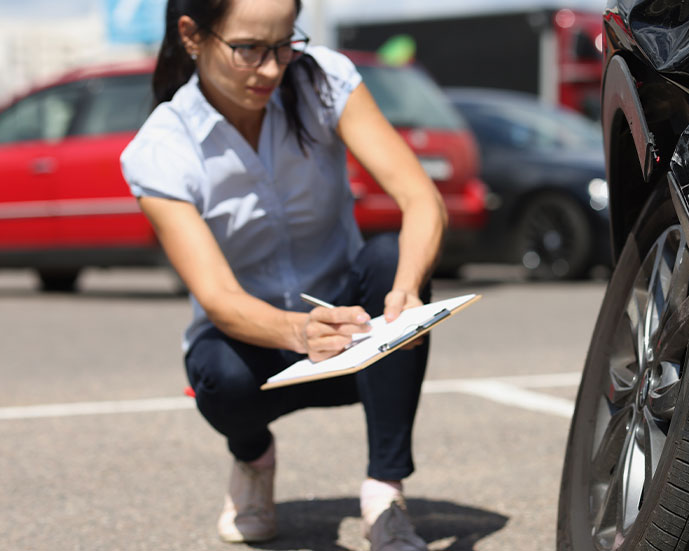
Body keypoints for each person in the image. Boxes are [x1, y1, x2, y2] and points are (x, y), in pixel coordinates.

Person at [119, 0, 446, 548]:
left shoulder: (322, 81)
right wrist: (299, 331)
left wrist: (408, 288)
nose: (271, 69)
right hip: (257, 344)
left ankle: (384, 493)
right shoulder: (161, 150)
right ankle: (253, 460)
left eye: (282, 45)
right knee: (218, 377)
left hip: (352, 326)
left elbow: (420, 198)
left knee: (391, 257)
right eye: (248, 49)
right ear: (192, 36)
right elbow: (219, 297)